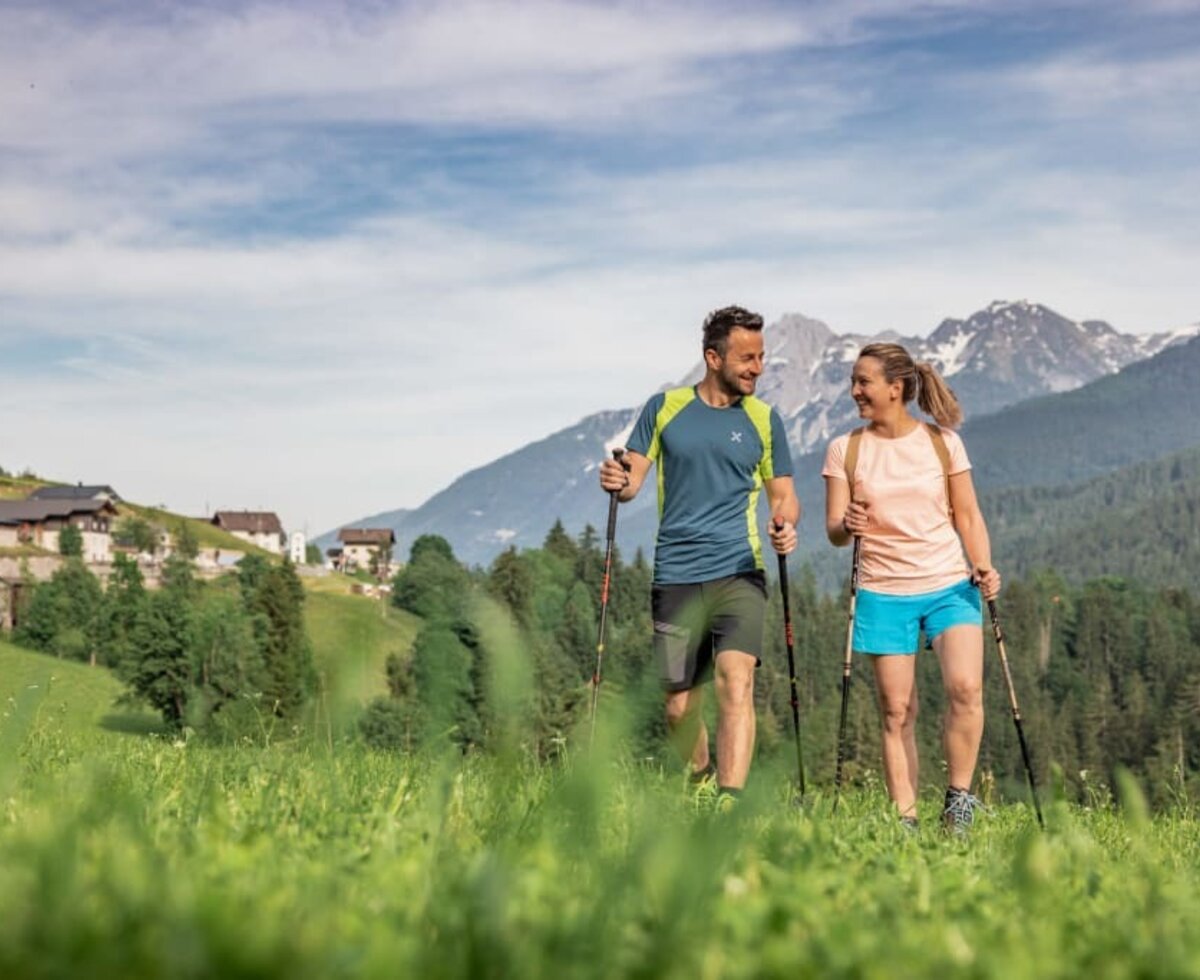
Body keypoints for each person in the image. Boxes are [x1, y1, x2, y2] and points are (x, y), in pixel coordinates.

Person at [599, 305, 799, 801]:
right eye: (747, 357)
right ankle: (701, 780)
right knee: (678, 707)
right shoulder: (664, 408)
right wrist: (617, 480)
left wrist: (785, 523)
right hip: (677, 572)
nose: (757, 368)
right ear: (713, 357)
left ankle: (728, 804)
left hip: (739, 570)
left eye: (761, 357)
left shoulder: (764, 420)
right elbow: (631, 483)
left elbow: (784, 496)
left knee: (736, 682)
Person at [822, 342, 1001, 833]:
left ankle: (959, 803)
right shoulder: (846, 449)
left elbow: (967, 513)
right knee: (897, 711)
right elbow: (835, 532)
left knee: (965, 689)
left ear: (895, 388)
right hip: (883, 590)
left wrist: (983, 563)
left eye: (864, 382)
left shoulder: (943, 442)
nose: (854, 390)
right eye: (854, 381)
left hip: (948, 583)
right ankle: (906, 820)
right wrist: (848, 523)